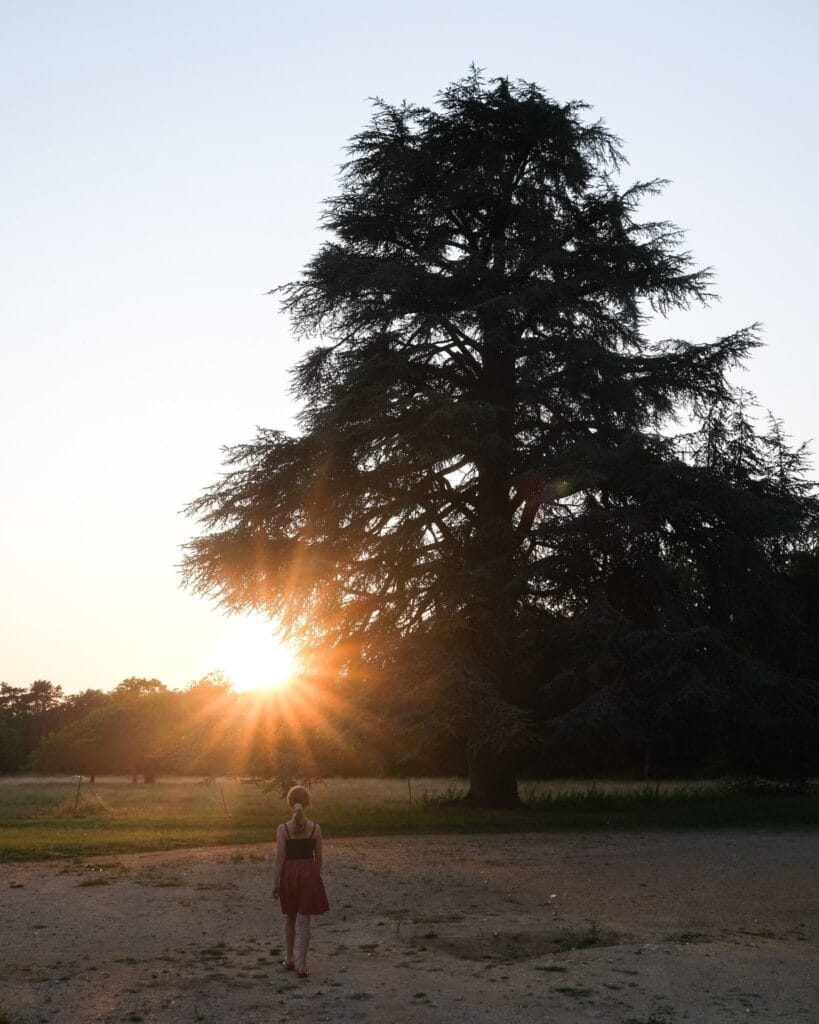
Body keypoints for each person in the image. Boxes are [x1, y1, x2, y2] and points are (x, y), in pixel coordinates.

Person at [273, 785, 329, 979]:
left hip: (289, 875)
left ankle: (289, 959)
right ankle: (302, 966)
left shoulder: (282, 829)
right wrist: (314, 876)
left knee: (290, 917)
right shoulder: (316, 829)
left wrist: (275, 883)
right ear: (307, 803)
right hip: (308, 874)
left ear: (290, 803)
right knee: (305, 921)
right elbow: (319, 857)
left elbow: (280, 858)